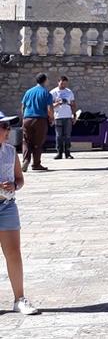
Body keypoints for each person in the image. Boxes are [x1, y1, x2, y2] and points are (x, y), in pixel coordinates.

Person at [0, 112, 39, 315]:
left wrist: (14, 185)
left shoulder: (9, 152)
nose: (8, 130)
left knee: (13, 253)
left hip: (6, 206)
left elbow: (20, 178)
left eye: (7, 126)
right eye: (4, 126)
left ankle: (19, 299)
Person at [19, 73, 53, 172]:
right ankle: (36, 164)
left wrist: (24, 118)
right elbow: (49, 109)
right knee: (38, 142)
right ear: (45, 80)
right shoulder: (46, 93)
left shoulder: (28, 92)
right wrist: (51, 118)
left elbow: (23, 106)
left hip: (27, 118)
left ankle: (25, 160)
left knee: (26, 141)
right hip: (40, 119)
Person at [50, 76, 76, 160]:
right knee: (59, 135)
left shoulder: (69, 92)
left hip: (67, 116)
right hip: (58, 116)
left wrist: (74, 115)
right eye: (62, 83)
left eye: (65, 83)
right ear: (58, 82)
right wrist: (58, 103)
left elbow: (73, 104)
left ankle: (67, 152)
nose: (63, 85)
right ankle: (59, 152)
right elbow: (50, 106)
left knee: (67, 135)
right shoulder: (53, 92)